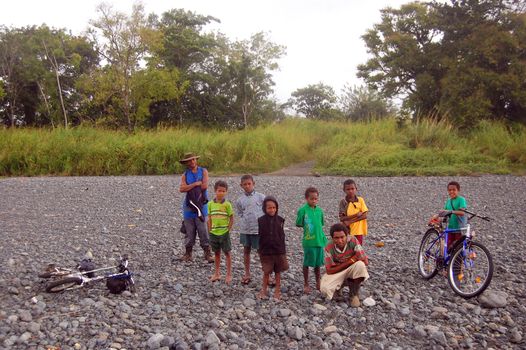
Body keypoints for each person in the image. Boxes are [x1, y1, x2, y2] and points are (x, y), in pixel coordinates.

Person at [320, 223, 369, 307]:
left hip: (346, 269)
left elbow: (365, 261)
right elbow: (329, 270)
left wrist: (348, 264)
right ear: (332, 238)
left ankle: (353, 294)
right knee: (324, 289)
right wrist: (351, 261)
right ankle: (338, 289)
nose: (340, 240)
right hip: (338, 271)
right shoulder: (329, 246)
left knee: (360, 265)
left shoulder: (353, 241)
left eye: (342, 237)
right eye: (336, 238)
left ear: (347, 236)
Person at [178, 152, 214, 263]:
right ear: (186, 163)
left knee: (203, 229)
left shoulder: (203, 171)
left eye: (193, 159)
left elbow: (204, 186)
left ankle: (207, 253)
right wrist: (195, 184)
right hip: (189, 206)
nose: (192, 162)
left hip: (201, 205)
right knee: (189, 231)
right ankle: (188, 253)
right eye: (189, 160)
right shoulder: (185, 174)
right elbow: (181, 189)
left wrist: (190, 186)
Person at [234, 174, 266, 285]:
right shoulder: (240, 200)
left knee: (260, 251)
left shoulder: (261, 197)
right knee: (246, 250)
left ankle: (267, 274)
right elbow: (239, 212)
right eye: (245, 184)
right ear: (241, 185)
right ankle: (247, 273)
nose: (247, 186)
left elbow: (267, 210)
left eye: (249, 184)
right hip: (245, 229)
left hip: (258, 229)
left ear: (253, 184)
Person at [296, 187, 327, 294]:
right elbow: (298, 223)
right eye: (311, 199)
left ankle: (318, 282)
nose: (314, 201)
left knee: (318, 263)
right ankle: (306, 283)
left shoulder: (319, 210)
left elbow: (321, 224)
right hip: (309, 241)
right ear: (306, 198)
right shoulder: (303, 210)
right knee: (307, 262)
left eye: (316, 199)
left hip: (319, 240)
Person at [257, 196, 288, 300]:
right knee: (266, 272)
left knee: (278, 272)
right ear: (264, 209)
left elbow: (282, 236)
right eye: (269, 208)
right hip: (266, 251)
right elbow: (260, 236)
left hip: (278, 251)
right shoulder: (261, 220)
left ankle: (277, 291)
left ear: (277, 208)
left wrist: (283, 251)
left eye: (274, 207)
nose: (272, 210)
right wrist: (260, 250)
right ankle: (264, 290)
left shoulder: (280, 220)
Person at [208, 180, 234, 284]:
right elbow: (209, 217)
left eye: (223, 191)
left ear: (226, 192)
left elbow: (231, 217)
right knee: (217, 253)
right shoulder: (210, 204)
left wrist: (228, 229)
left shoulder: (227, 204)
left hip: (224, 232)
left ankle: (228, 274)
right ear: (215, 191)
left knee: (227, 253)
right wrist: (209, 229)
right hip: (214, 232)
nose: (221, 193)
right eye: (219, 191)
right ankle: (217, 273)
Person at [338, 179, 369, 245]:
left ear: (356, 189)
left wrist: (350, 221)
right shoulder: (343, 202)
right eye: (348, 189)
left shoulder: (360, 200)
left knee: (358, 248)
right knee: (348, 249)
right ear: (344, 190)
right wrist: (356, 215)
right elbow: (342, 218)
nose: (351, 191)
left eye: (352, 188)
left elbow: (364, 215)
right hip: (348, 230)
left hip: (358, 230)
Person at [439, 181, 467, 250]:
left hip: (459, 229)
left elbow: (462, 212)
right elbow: (445, 212)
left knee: (458, 248)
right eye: (449, 190)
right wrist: (437, 216)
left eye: (454, 190)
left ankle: (457, 261)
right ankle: (450, 260)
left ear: (458, 190)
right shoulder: (448, 201)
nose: (451, 192)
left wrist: (451, 211)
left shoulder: (461, 199)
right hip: (450, 228)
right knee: (449, 248)